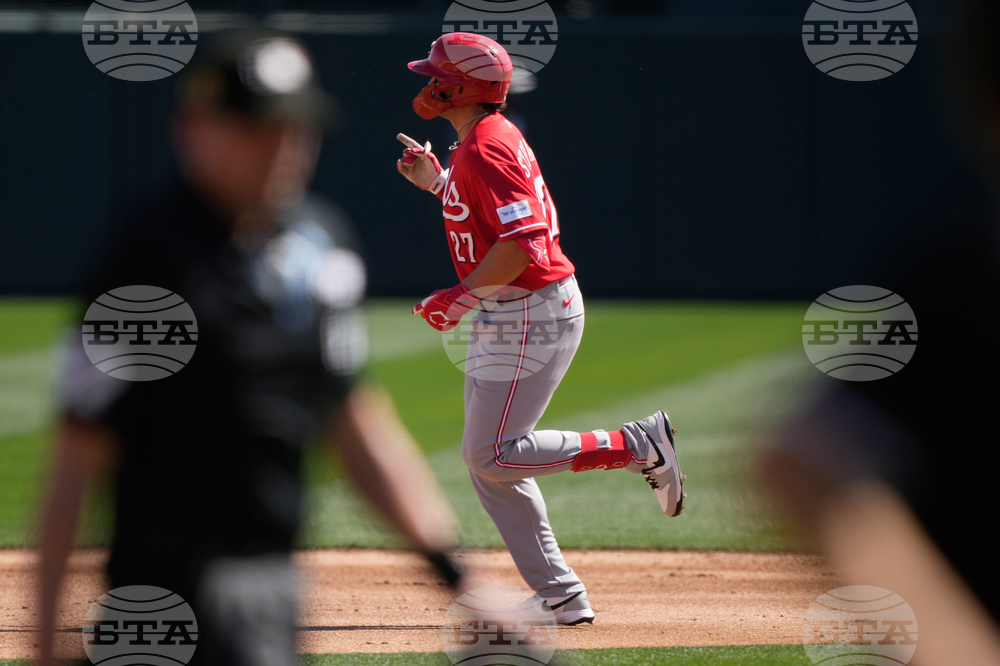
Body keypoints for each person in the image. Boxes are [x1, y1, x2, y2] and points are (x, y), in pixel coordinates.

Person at [37, 29, 464, 666]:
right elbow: (78, 452)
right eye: (259, 128)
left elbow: (352, 421)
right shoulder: (145, 261)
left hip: (272, 594)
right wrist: (46, 639)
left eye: (298, 128)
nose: (284, 148)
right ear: (195, 129)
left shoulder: (324, 249)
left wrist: (460, 580)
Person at [395, 32, 686, 625]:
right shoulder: (481, 143)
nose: (427, 81)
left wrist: (457, 297)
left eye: (437, 73)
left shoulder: (485, 147)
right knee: (490, 461)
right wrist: (437, 182)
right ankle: (560, 595)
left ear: (461, 86)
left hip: (530, 308)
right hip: (519, 308)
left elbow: (523, 246)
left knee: (493, 455)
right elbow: (489, 213)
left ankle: (634, 446)